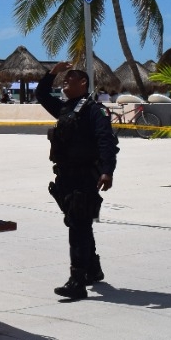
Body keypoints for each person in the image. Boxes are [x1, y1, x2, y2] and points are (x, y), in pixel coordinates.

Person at [35, 61, 119, 301]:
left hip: (85, 175)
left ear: (83, 83)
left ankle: (77, 281)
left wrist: (107, 170)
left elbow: (106, 141)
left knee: (79, 227)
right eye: (63, 80)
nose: (64, 82)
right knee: (78, 224)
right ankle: (92, 269)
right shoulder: (64, 108)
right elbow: (41, 94)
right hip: (66, 176)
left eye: (69, 79)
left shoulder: (94, 111)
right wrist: (53, 72)